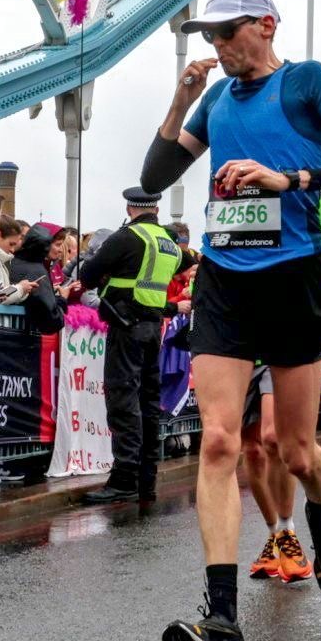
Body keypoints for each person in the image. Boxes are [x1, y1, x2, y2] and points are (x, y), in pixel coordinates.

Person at [138, 0, 321, 641]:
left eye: (228, 32)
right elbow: (154, 175)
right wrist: (182, 101)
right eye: (210, 37)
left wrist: (289, 179)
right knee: (219, 440)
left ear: (266, 25)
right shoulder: (216, 98)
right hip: (224, 280)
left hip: (293, 278)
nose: (218, 46)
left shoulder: (307, 82)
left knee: (296, 452)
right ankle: (222, 621)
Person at [72, 188, 183, 509]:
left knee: (123, 401)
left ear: (129, 208)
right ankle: (146, 480)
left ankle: (123, 479)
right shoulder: (168, 242)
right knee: (148, 403)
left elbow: (87, 275)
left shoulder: (126, 237)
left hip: (126, 326)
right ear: (157, 209)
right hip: (153, 328)